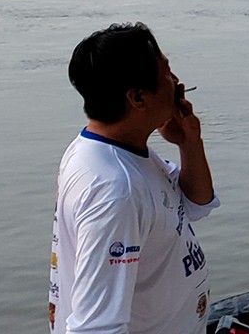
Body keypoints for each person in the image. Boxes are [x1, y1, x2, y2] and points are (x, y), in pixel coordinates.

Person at [50, 23, 217, 334]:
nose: (176, 82)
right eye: (166, 73)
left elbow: (197, 204)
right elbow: (95, 328)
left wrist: (189, 142)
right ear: (138, 98)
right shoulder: (114, 189)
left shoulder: (124, 153)